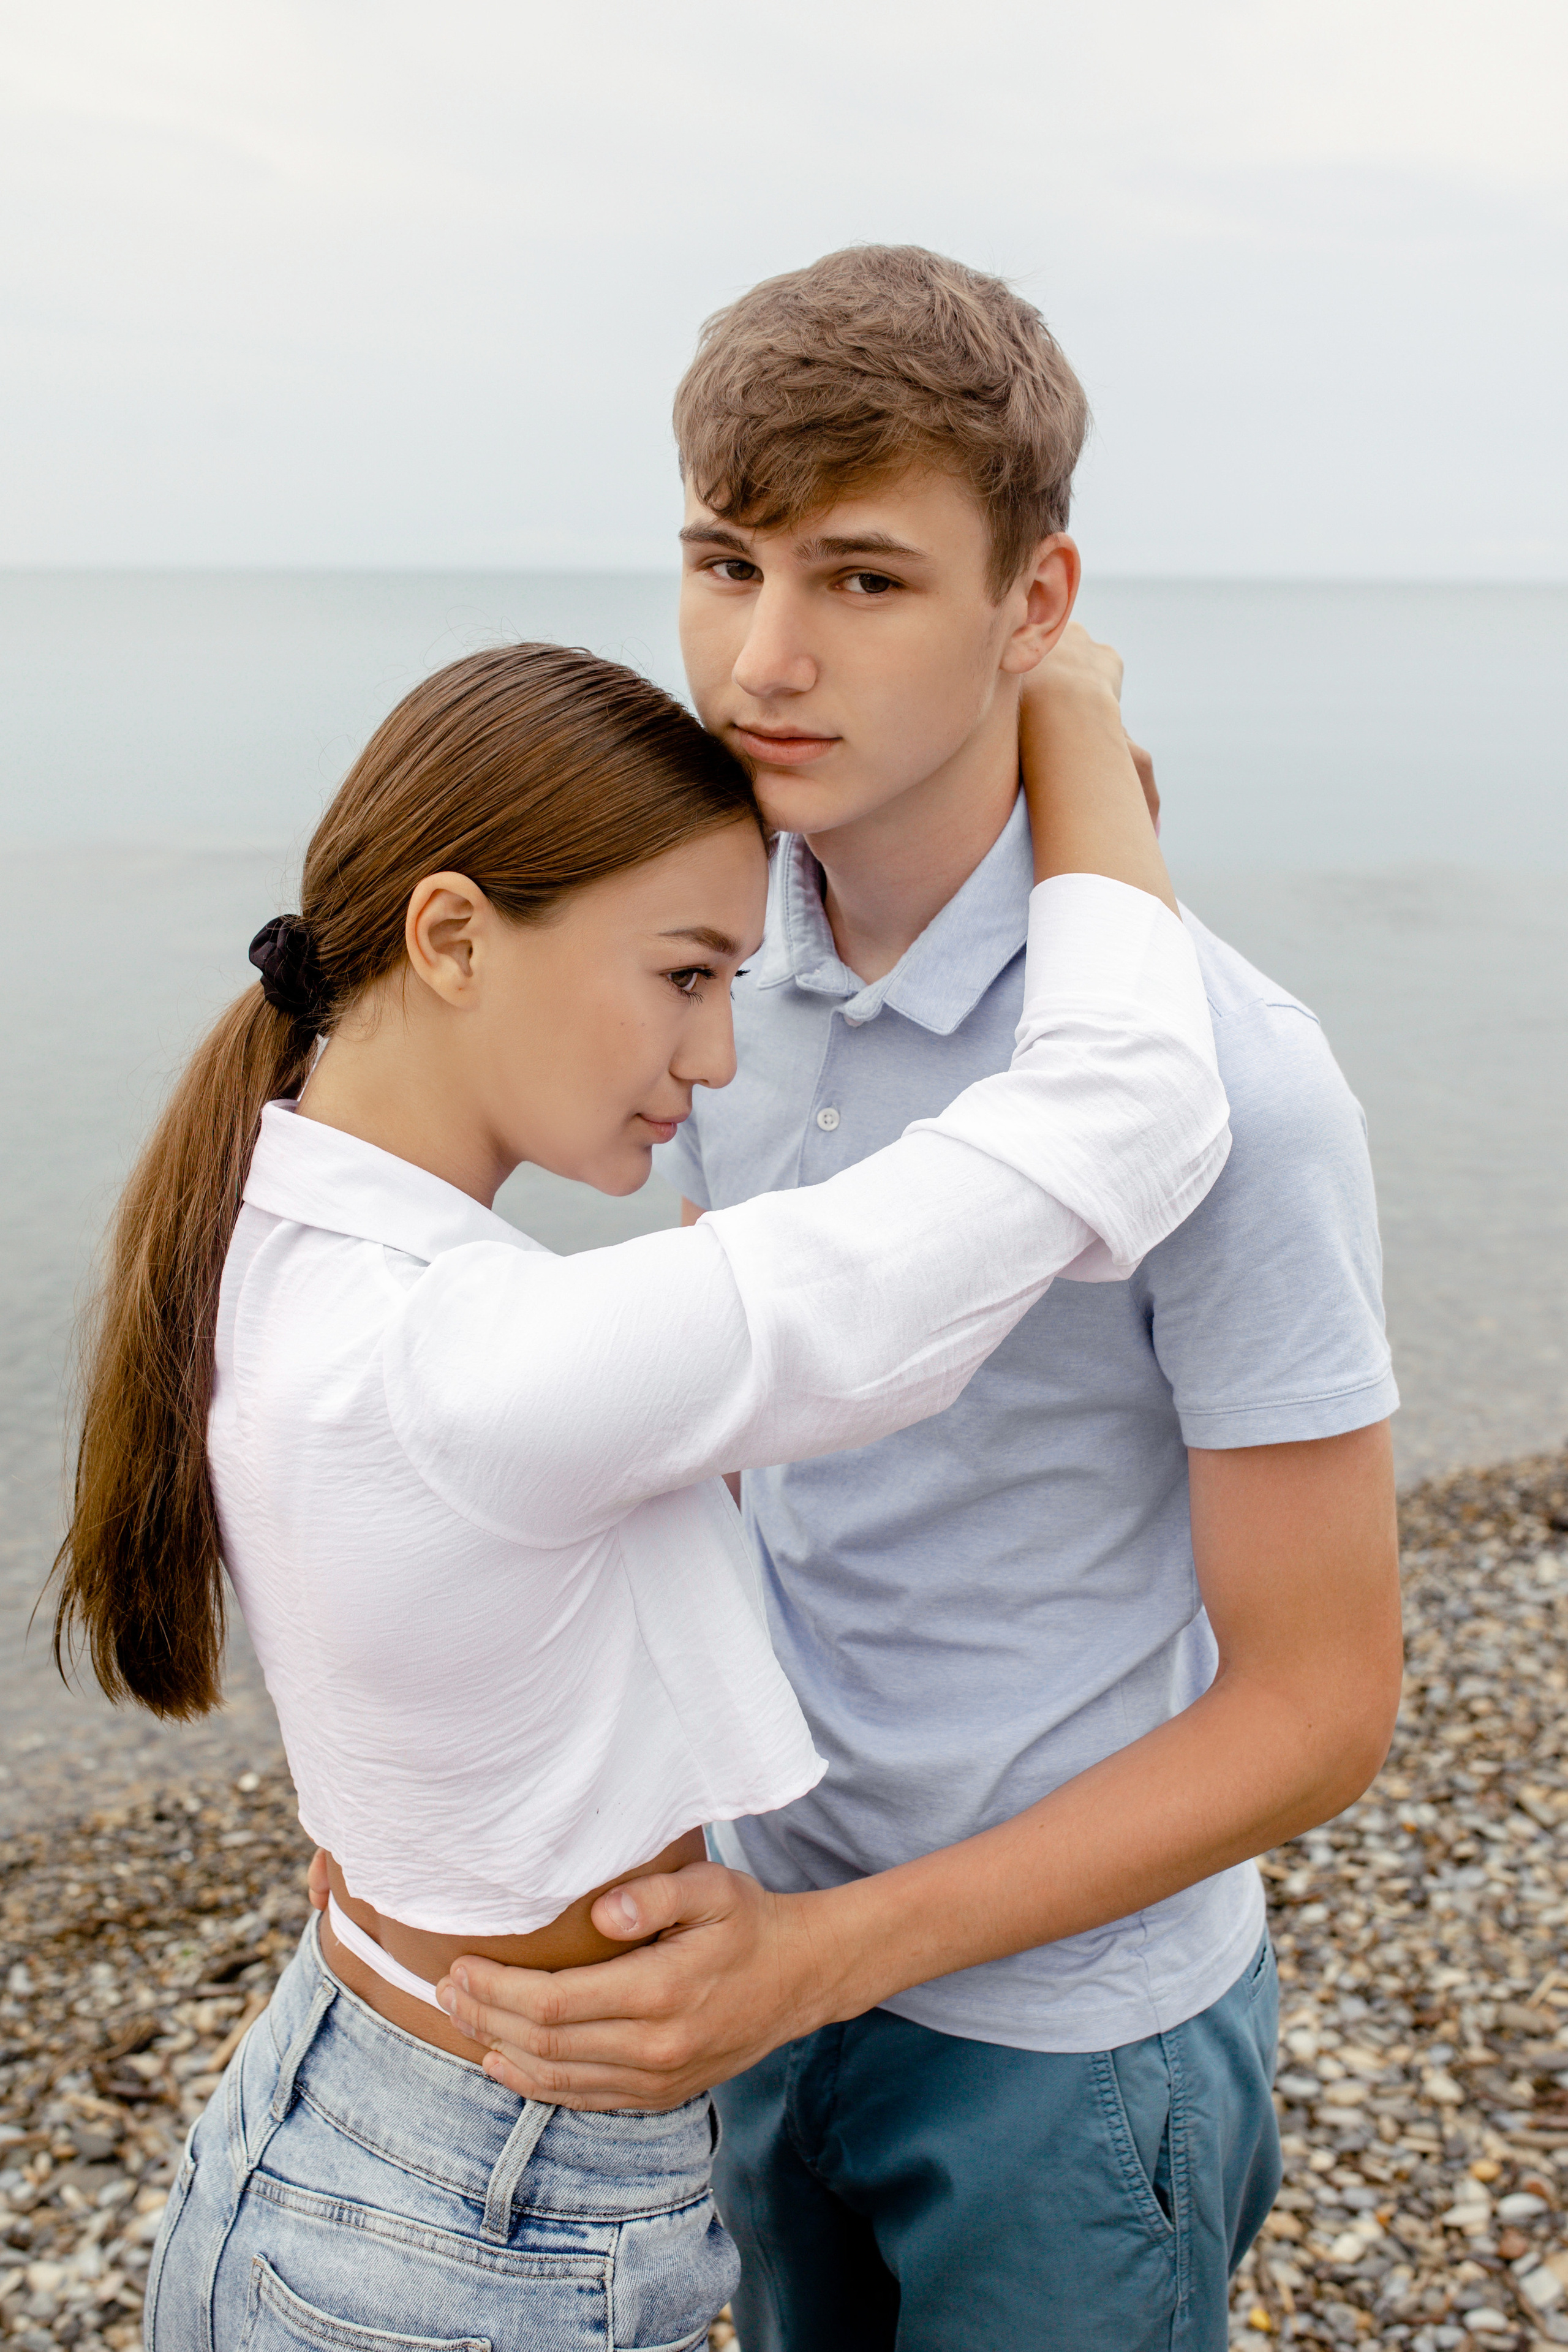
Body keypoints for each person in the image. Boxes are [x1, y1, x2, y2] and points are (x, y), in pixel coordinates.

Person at [430, 249, 1406, 2352]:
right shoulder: (711, 967)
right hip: (760, 1948)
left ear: (1034, 605)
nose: (763, 660)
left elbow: (1324, 1704)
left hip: (1069, 2041)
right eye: (725, 562)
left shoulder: (1234, 1085)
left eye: (865, 580)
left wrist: (833, 1953)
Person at [51, 635, 1225, 2351]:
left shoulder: (272, 1234)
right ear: (452, 936)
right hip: (468, 2235)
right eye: (685, 974)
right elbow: (1130, 1109)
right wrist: (1076, 724)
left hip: (349, 2107)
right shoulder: (485, 1361)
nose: (723, 1056)